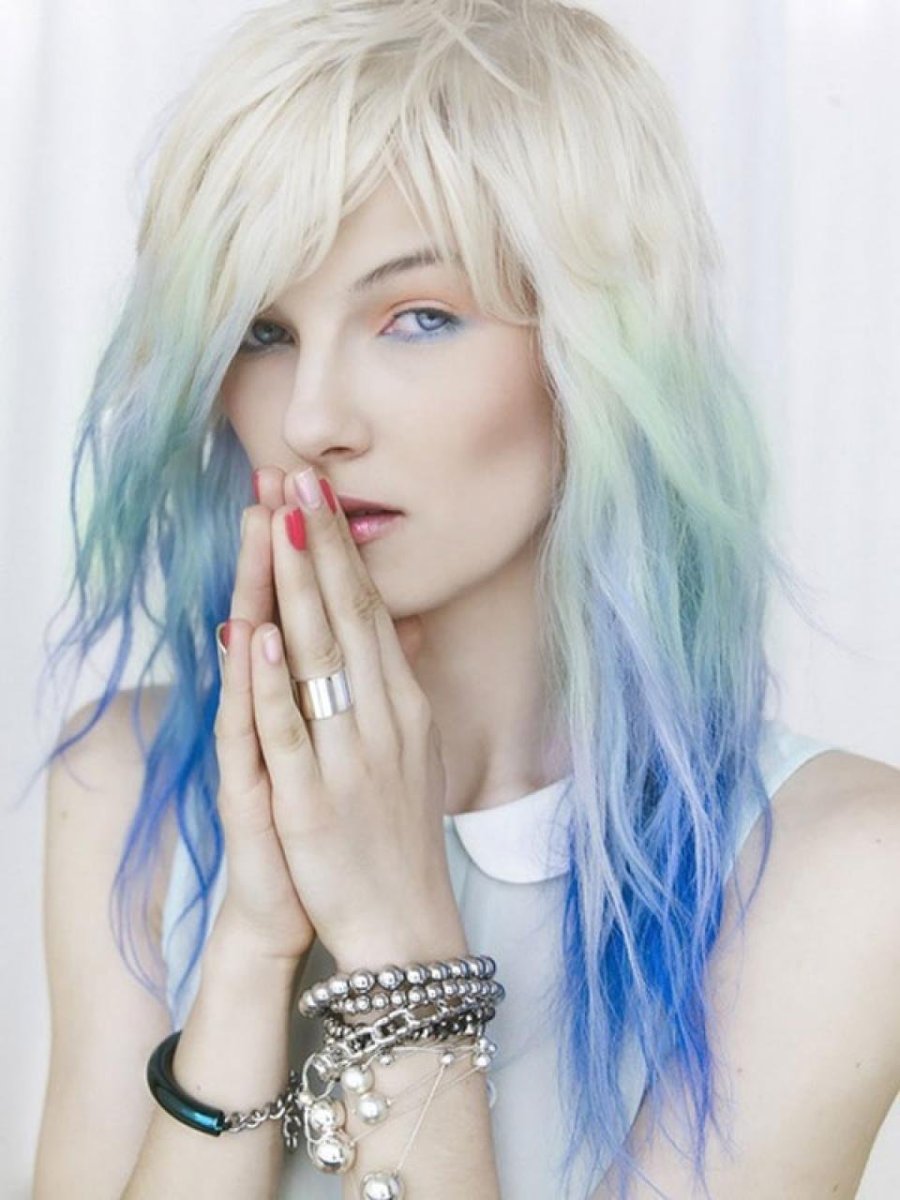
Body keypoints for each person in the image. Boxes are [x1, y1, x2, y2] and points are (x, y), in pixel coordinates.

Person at [29, 1, 900, 1197]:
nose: (313, 418)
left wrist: (399, 938)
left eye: (419, 318)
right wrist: (249, 947)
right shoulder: (128, 782)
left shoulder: (841, 867)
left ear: (599, 350)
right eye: (265, 330)